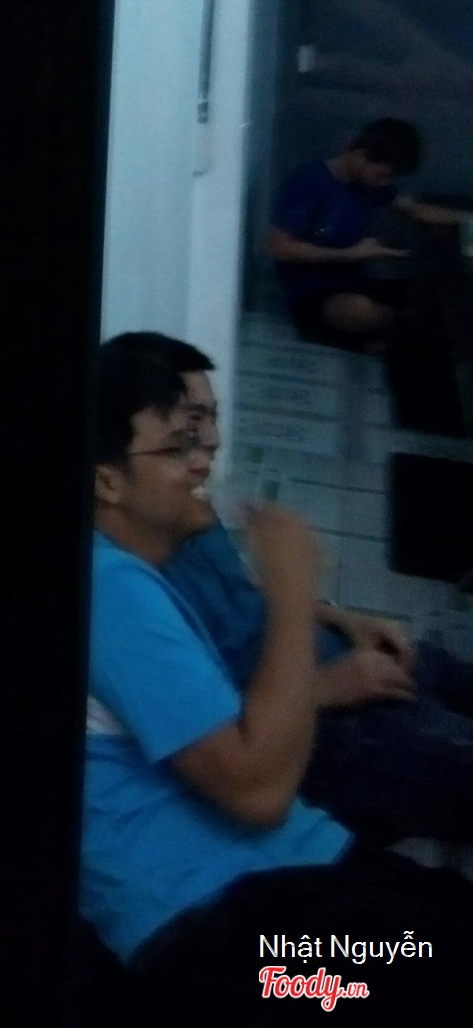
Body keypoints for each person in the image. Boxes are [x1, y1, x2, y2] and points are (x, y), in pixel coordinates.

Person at [83, 331, 473, 1022]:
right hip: (245, 947)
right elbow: (257, 790)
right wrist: (292, 584)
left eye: (203, 435)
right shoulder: (111, 590)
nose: (202, 460)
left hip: (290, 886)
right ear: (107, 480)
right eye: (176, 448)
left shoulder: (140, 567)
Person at [163, 341, 473, 845]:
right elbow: (209, 739)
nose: (212, 442)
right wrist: (329, 685)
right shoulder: (122, 591)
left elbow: (238, 588)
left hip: (342, 659)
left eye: (210, 418)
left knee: (444, 671)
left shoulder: (177, 504)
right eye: (190, 425)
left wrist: (342, 619)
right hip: (326, 725)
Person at [266, 117, 464, 351]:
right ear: (361, 155)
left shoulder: (367, 184)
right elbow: (278, 247)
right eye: (383, 175)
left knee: (434, 294)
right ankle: (391, 335)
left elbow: (417, 209)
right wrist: (351, 254)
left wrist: (466, 219)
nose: (385, 183)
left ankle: (396, 335)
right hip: (312, 293)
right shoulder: (310, 183)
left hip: (355, 281)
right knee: (361, 312)